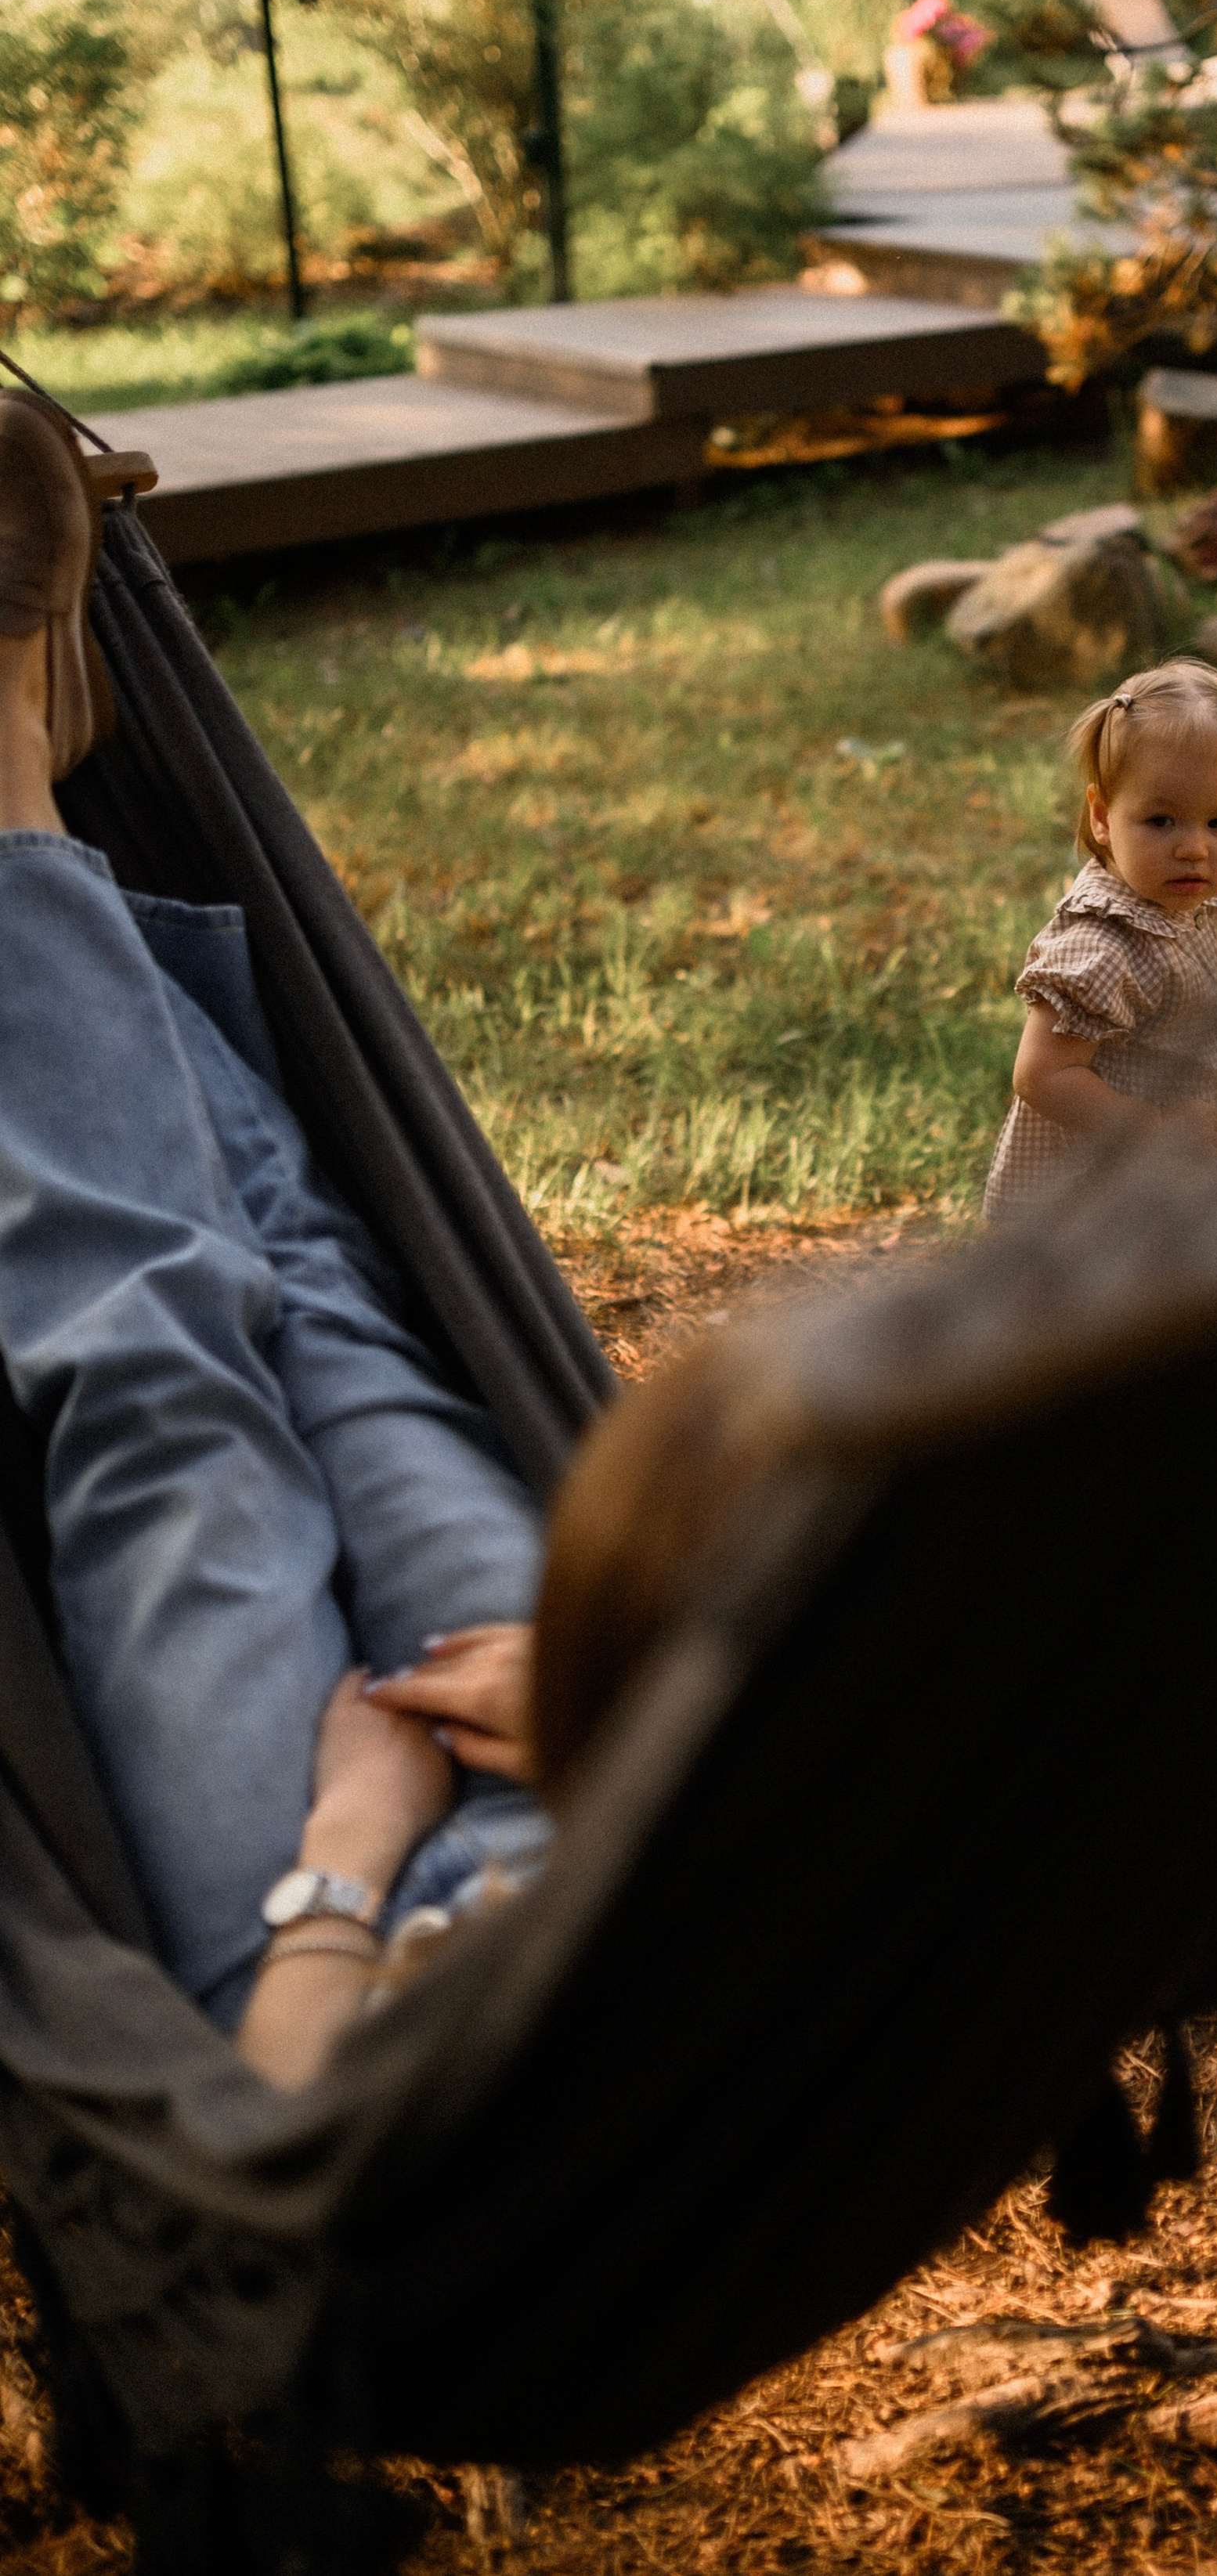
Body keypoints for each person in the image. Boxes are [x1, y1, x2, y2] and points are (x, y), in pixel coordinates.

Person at [0, 388, 549, 2078]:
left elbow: (286, 2130)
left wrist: (348, 1859)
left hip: (346, 1952)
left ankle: (15, 784)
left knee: (164, 1374)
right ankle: (20, 774)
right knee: (323, 1296)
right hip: (580, 1854)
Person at [982, 657, 1217, 1225]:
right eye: (1161, 821)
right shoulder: (1101, 945)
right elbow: (1041, 1075)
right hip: (1112, 1178)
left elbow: (1175, 997)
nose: (1193, 848)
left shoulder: (1185, 904)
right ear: (1104, 817)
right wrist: (1150, 1130)